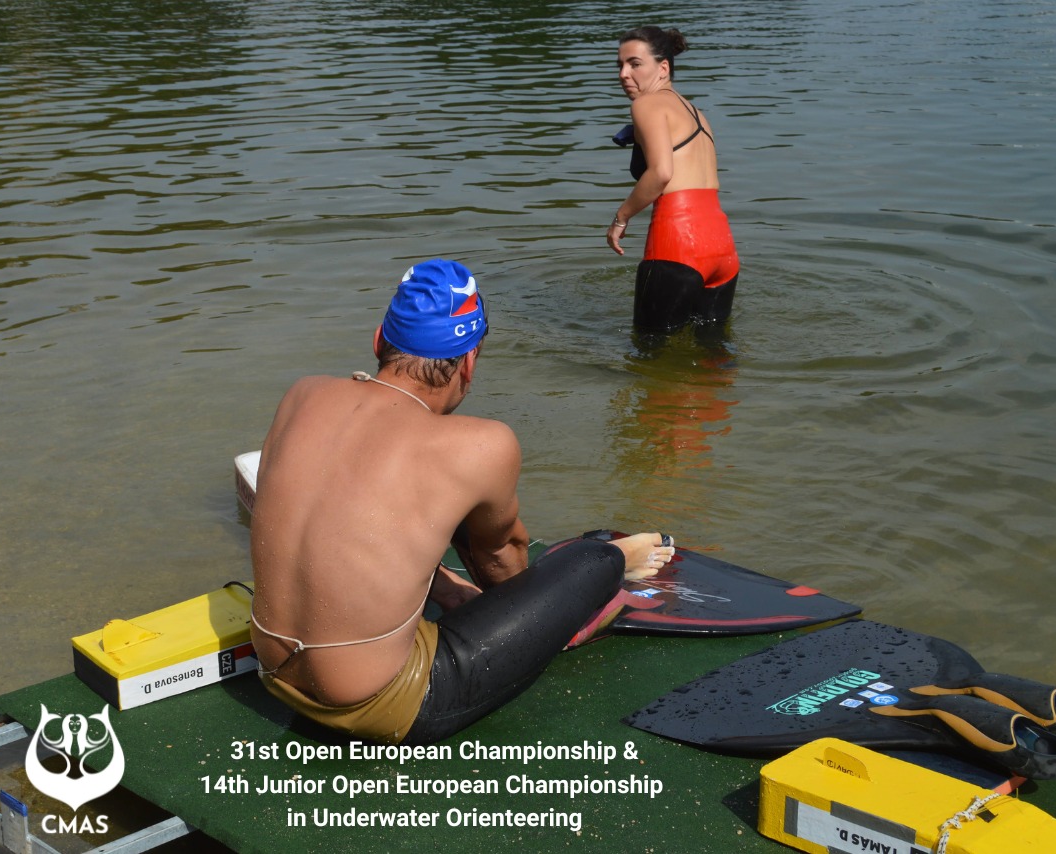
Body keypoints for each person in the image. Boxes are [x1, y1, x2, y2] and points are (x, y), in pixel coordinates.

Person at [249, 259, 675, 745]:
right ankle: (620, 560)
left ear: (378, 340)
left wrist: (447, 587)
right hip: (383, 706)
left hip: (276, 674)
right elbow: (504, 571)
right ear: (469, 362)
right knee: (590, 559)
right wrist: (555, 597)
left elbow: (340, 524)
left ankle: (449, 587)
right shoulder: (481, 445)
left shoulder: (303, 395)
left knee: (427, 499)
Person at [606, 26, 740, 334]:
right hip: (722, 248)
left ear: (663, 67)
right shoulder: (696, 112)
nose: (624, 74)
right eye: (620, 65)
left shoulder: (647, 104)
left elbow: (661, 173)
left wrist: (620, 218)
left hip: (678, 242)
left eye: (635, 64)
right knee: (714, 350)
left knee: (648, 349)